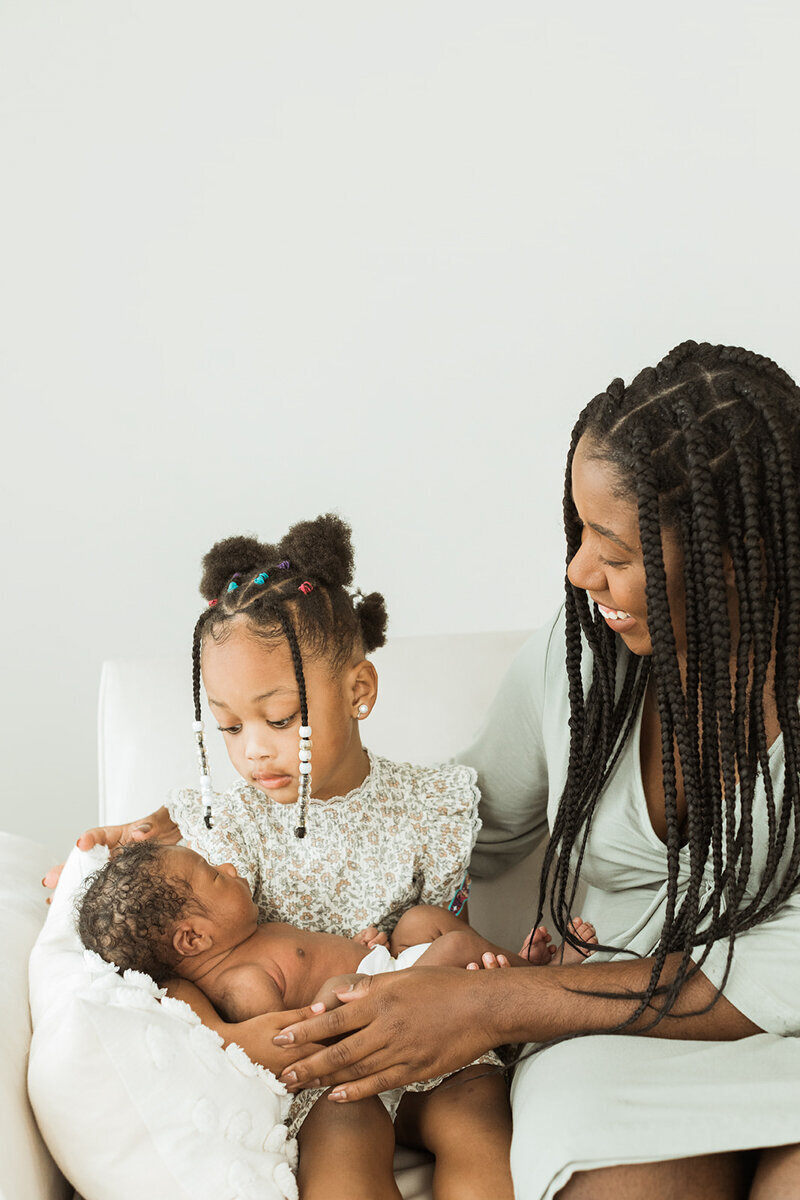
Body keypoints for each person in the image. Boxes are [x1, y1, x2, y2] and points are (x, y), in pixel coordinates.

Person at [266, 342, 800, 1200]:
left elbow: (785, 972)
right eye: (580, 532)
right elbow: (445, 824)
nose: (577, 570)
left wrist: (497, 1005)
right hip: (609, 1051)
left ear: (726, 555)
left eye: (613, 550)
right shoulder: (580, 662)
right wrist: (194, 851)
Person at [52, 513, 532, 1200]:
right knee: (340, 1146)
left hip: (434, 1036)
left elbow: (446, 933)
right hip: (330, 1065)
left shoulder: (430, 807)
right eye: (228, 727)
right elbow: (171, 963)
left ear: (358, 691)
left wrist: (446, 960)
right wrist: (226, 1034)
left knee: (480, 1124)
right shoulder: (225, 828)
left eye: (279, 719)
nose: (252, 750)